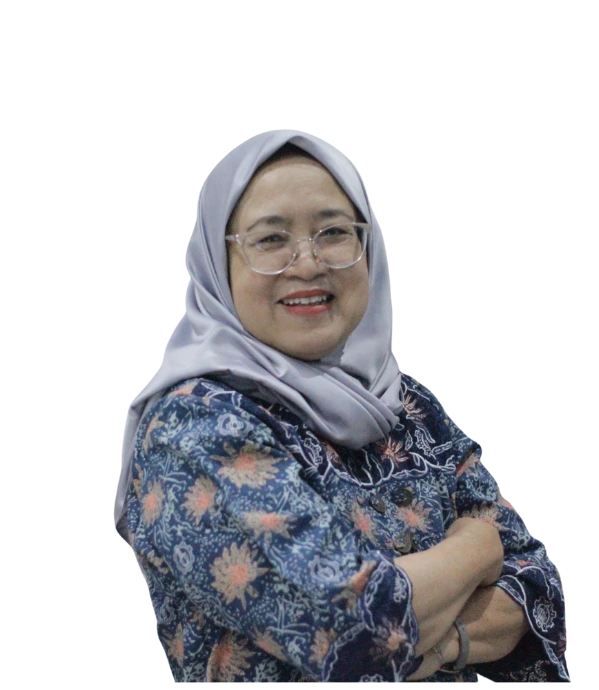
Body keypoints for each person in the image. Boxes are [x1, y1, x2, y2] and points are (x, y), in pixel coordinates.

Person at [113, 130, 569, 685]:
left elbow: (541, 587)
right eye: (270, 239)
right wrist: (477, 549)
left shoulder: (407, 405)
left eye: (333, 232)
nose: (308, 263)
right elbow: (349, 629)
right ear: (217, 262)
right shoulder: (192, 430)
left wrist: (444, 643)